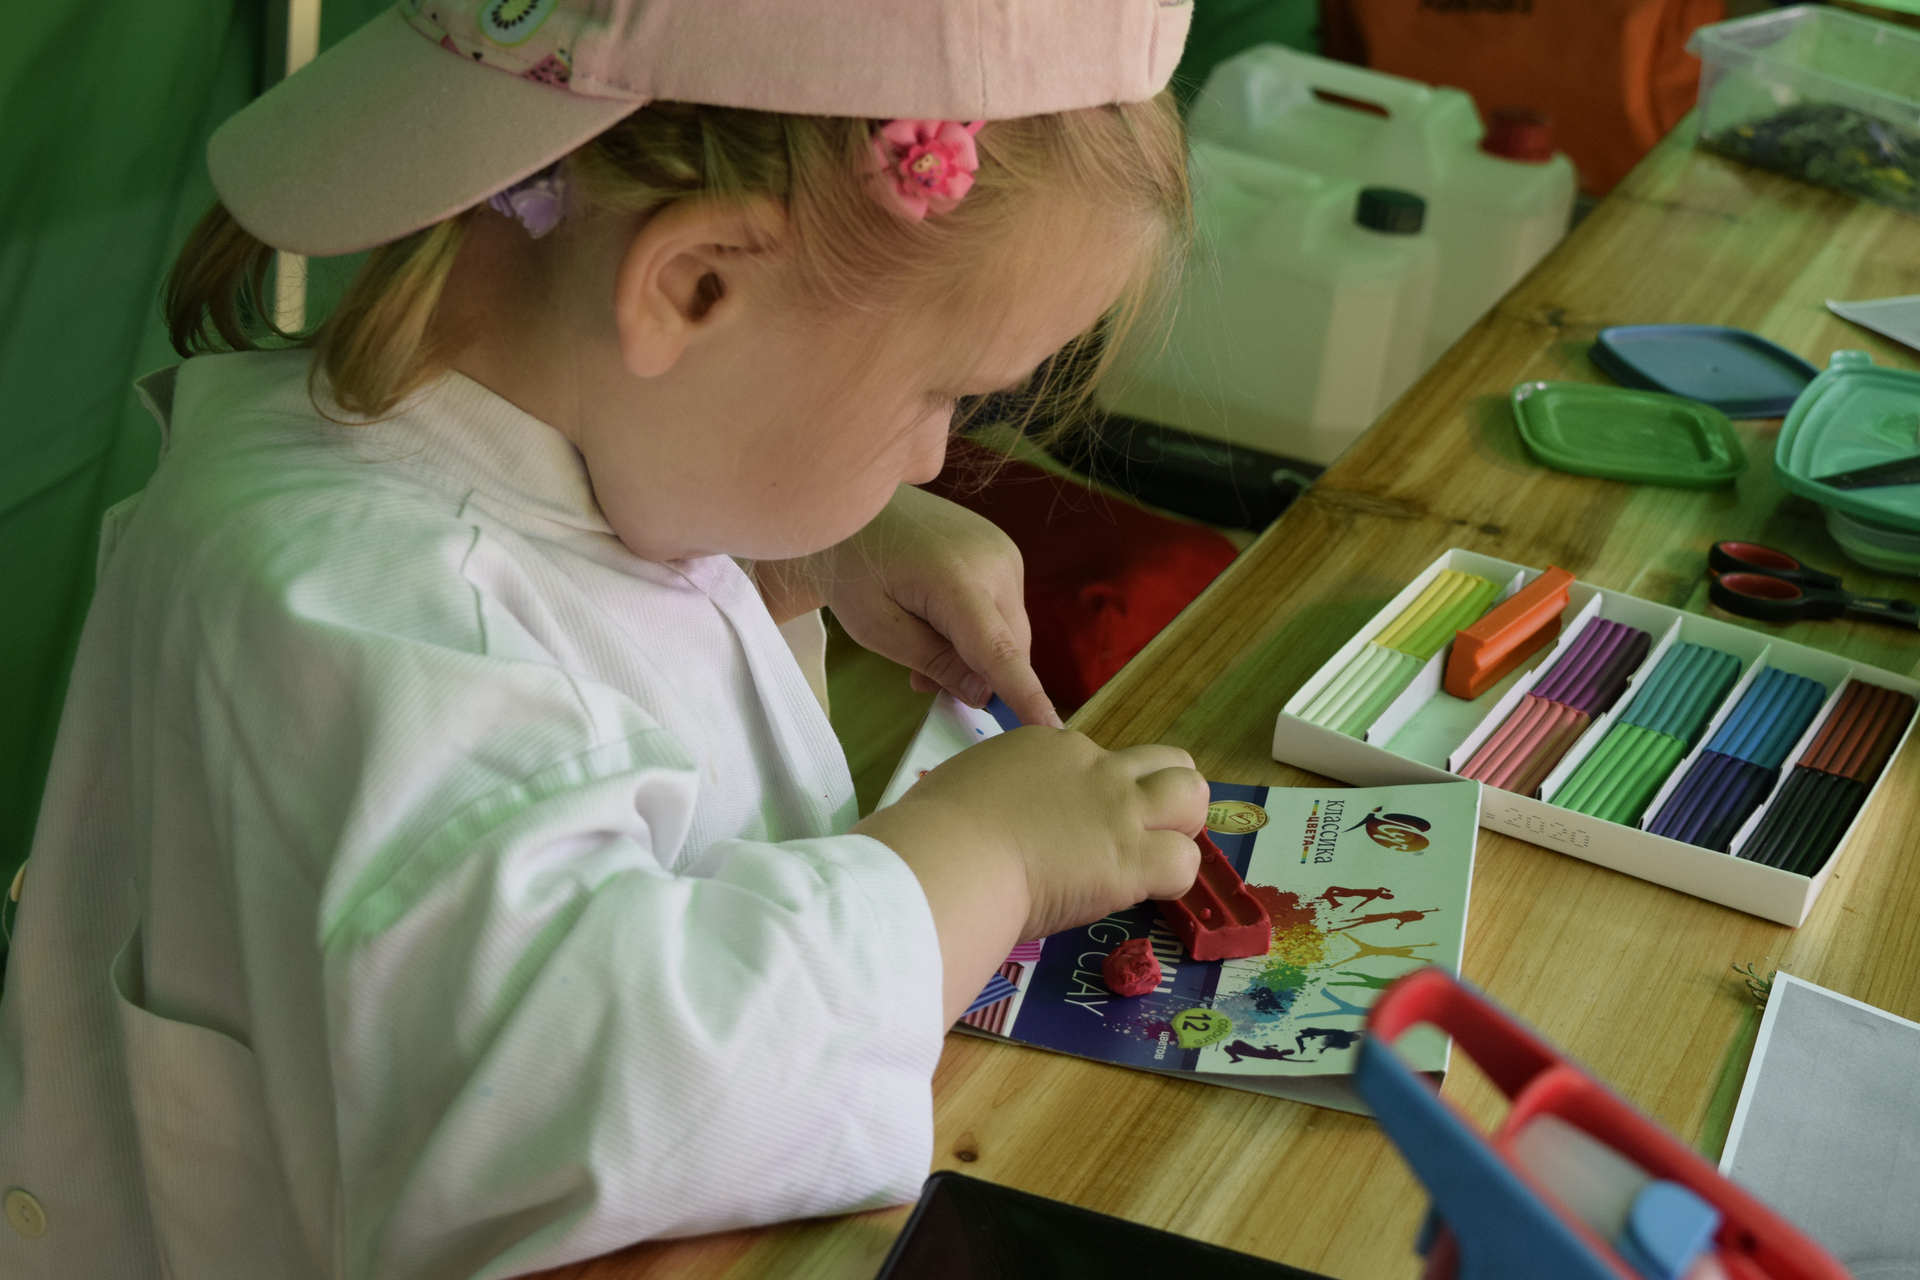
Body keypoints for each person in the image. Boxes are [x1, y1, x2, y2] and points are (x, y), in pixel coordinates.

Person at [0, 1, 1208, 1277]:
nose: (930, 457)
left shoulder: (485, 448)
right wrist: (985, 854)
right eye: (944, 394)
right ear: (692, 286)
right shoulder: (375, 621)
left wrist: (802, 545)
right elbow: (623, 1089)